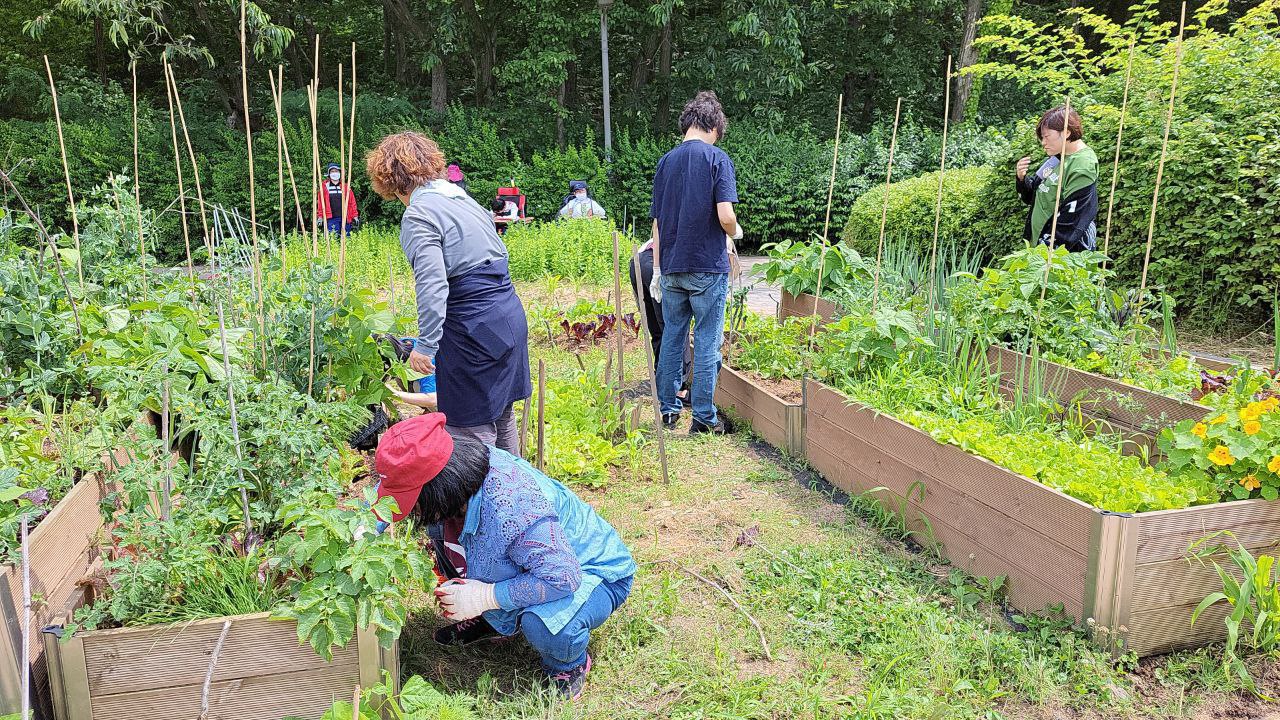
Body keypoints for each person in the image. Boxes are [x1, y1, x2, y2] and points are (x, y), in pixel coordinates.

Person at [374, 413, 636, 700]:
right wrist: (365, 526)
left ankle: (568, 663)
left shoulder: (512, 507)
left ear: (442, 485)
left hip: (589, 572)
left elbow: (564, 577)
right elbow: (386, 493)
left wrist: (486, 596)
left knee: (544, 626)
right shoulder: (456, 468)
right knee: (441, 528)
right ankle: (497, 620)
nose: (412, 509)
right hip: (538, 561)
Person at [366, 132, 531, 453]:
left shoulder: (419, 214)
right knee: (501, 414)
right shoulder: (460, 198)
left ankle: (484, 501)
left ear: (392, 181)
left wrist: (425, 346)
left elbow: (433, 283)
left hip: (474, 328)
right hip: (508, 313)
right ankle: (517, 495)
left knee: (471, 430)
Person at [648, 91, 742, 434]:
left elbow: (657, 223)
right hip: (707, 267)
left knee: (673, 337)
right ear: (714, 126)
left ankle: (669, 411)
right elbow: (726, 215)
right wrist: (735, 232)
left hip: (671, 267)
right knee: (705, 340)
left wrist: (658, 269)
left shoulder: (665, 162)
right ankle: (703, 418)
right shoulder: (717, 159)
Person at [1016, 106, 1099, 253]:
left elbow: (1073, 217)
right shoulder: (1056, 158)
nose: (1043, 143)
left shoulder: (1082, 165)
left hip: (1063, 255)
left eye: (1046, 137)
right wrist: (1021, 179)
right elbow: (1034, 195)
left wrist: (1047, 250)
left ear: (1066, 132)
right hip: (1039, 248)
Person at [316, 162, 360, 234]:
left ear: (339, 173)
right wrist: (320, 217)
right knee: (333, 240)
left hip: (345, 217)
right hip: (331, 218)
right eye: (332, 171)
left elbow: (352, 202)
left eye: (336, 171)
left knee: (346, 239)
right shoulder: (324, 187)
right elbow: (321, 204)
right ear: (329, 174)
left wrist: (355, 216)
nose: (334, 173)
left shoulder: (345, 187)